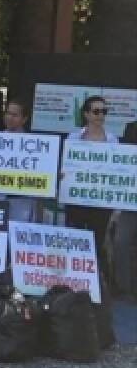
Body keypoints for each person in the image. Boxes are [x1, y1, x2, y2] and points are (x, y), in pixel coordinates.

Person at [65, 96, 124, 294]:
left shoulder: (113, 140)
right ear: (87, 114)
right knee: (74, 242)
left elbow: (116, 172)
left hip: (100, 203)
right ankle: (73, 285)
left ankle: (94, 288)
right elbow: (66, 169)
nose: (101, 116)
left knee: (97, 244)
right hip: (76, 202)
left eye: (104, 111)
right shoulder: (73, 139)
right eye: (97, 111)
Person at [0, 99, 39, 224]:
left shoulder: (34, 145)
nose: (9, 117)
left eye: (15, 115)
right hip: (0, 199)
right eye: (8, 113)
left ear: (24, 119)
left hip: (23, 202)